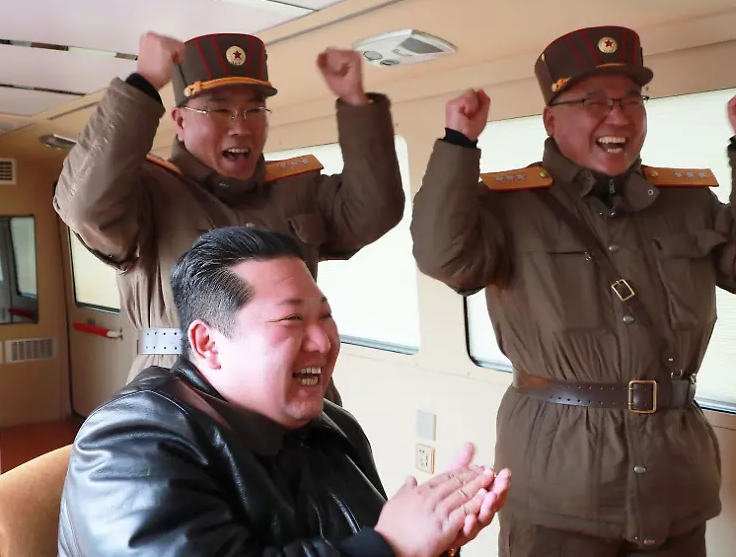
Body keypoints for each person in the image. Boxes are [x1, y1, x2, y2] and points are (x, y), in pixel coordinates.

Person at [410, 25, 736, 556]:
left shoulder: (686, 202)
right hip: (558, 487)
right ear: (551, 119)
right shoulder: (509, 206)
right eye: (594, 101)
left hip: (674, 480)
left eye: (632, 100)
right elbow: (444, 256)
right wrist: (459, 144)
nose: (618, 117)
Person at [56, 226, 511, 557]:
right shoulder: (130, 443)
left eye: (325, 317)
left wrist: (432, 540)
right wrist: (390, 545)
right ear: (207, 344)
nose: (323, 342)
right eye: (292, 319)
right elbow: (380, 544)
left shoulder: (332, 426)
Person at [54, 31, 406, 404]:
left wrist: (355, 103)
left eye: (254, 110)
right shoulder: (144, 191)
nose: (240, 127)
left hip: (292, 386)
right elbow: (83, 207)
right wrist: (142, 84)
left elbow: (374, 211)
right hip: (182, 389)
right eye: (219, 111)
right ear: (180, 120)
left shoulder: (296, 188)